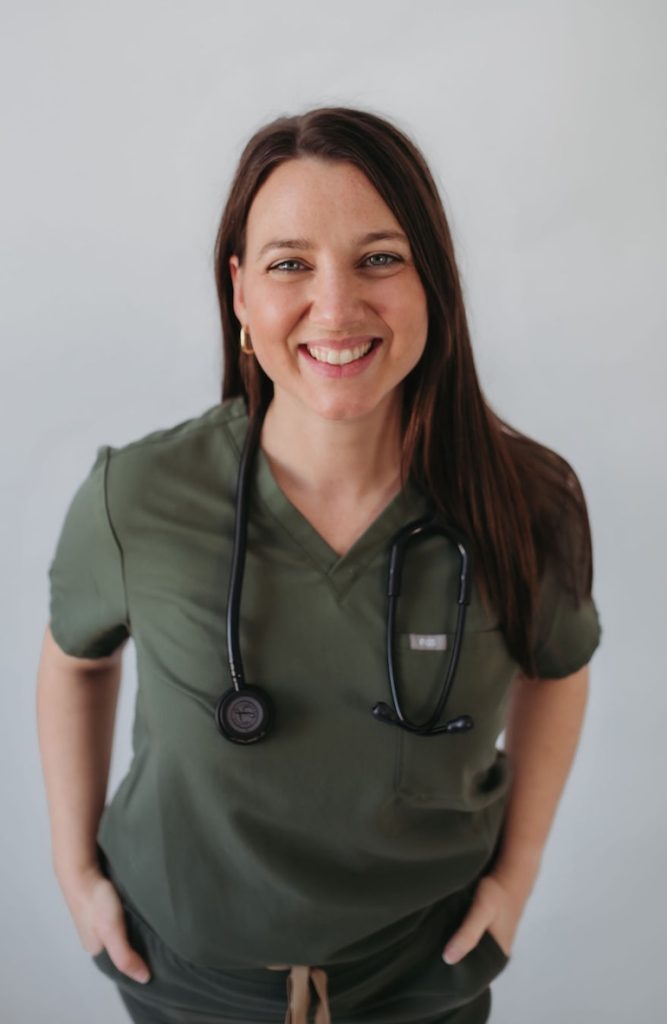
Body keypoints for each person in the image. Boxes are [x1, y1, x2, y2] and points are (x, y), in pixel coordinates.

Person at [37, 105, 603, 1024]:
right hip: (186, 984)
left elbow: (561, 672)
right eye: (289, 264)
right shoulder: (135, 498)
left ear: (433, 281)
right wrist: (73, 868)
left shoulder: (526, 502)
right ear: (240, 296)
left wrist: (516, 876)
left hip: (419, 983)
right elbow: (75, 661)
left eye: (379, 257)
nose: (335, 307)